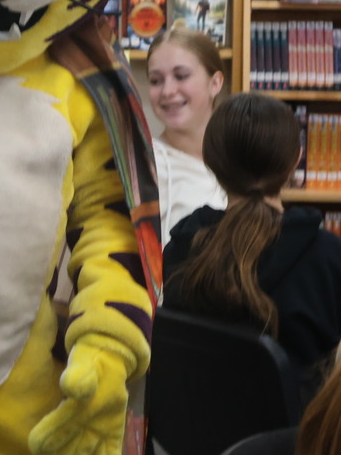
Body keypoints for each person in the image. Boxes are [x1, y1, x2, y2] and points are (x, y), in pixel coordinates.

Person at [163, 93, 341, 396]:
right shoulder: (327, 258)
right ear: (295, 160)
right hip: (298, 428)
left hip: (192, 427)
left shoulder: (180, 249)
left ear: (210, 160)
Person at [146, 26, 228, 243]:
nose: (167, 91)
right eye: (155, 80)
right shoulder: (144, 167)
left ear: (215, 83)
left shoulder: (244, 163)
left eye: (181, 76)